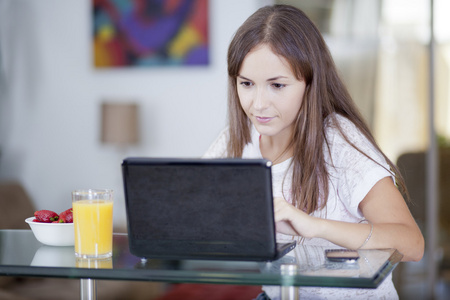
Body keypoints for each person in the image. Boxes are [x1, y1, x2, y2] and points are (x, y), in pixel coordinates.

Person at [203, 4, 424, 300]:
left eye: (277, 85)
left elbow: (412, 244)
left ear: (310, 83)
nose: (258, 104)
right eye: (246, 84)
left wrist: (313, 226)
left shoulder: (338, 141)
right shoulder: (236, 139)